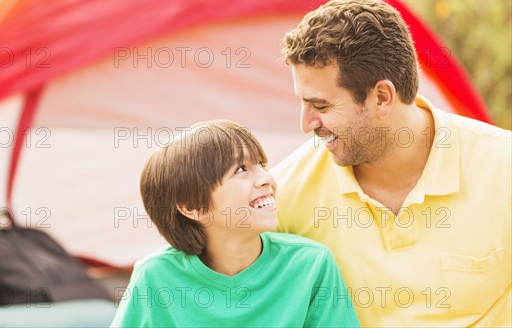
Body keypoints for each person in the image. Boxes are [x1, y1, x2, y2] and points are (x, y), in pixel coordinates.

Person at [272, 0, 511, 326]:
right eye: (303, 103)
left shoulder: (503, 169)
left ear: (382, 97)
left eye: (321, 106)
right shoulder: (284, 193)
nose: (306, 123)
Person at [111, 120, 360, 327]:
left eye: (261, 164)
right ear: (192, 207)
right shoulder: (155, 277)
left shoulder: (311, 264)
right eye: (241, 169)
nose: (266, 178)